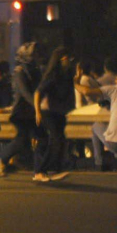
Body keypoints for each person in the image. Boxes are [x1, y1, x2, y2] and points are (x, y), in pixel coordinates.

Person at [0, 43, 41, 177]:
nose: (37, 57)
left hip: (31, 111)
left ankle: (29, 166)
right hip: (21, 112)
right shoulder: (19, 71)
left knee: (32, 139)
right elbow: (25, 93)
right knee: (22, 139)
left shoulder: (35, 70)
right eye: (34, 54)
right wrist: (37, 106)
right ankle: (2, 158)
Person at [33, 47, 74, 182]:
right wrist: (38, 112)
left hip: (59, 112)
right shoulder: (53, 75)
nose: (69, 61)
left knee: (60, 140)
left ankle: (54, 169)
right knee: (55, 138)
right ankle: (40, 171)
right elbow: (38, 93)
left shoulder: (67, 75)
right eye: (67, 58)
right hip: (48, 111)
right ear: (62, 59)